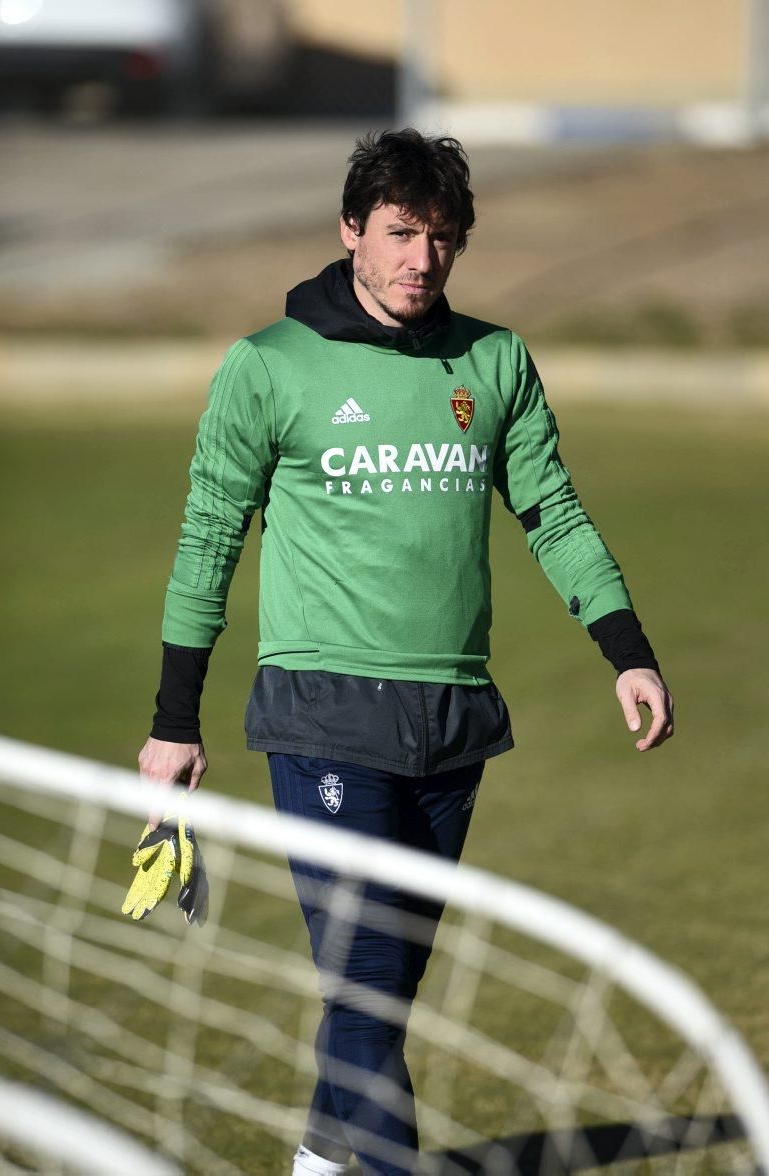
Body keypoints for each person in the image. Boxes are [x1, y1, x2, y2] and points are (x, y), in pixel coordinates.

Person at [138, 129, 674, 1175]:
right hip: (323, 713)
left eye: (439, 239)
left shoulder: (495, 361)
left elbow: (552, 513)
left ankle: (321, 1161)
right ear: (348, 231)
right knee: (368, 982)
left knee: (381, 990)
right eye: (396, 233)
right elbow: (206, 539)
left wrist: (626, 650)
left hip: (451, 721)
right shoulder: (266, 367)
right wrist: (172, 723)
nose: (418, 260)